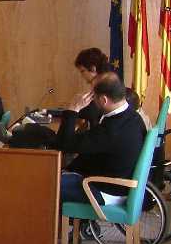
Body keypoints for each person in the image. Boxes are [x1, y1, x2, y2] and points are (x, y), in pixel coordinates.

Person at [57, 73, 146, 206]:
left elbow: (64, 144)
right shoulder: (133, 117)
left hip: (106, 190)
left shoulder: (112, 130)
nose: (92, 100)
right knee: (57, 176)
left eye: (93, 96)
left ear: (104, 100)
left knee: (46, 183)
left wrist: (72, 109)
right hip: (118, 183)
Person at [73, 47, 114, 129]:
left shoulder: (104, 90)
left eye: (82, 71)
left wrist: (75, 107)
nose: (81, 75)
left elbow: (93, 112)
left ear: (93, 68)